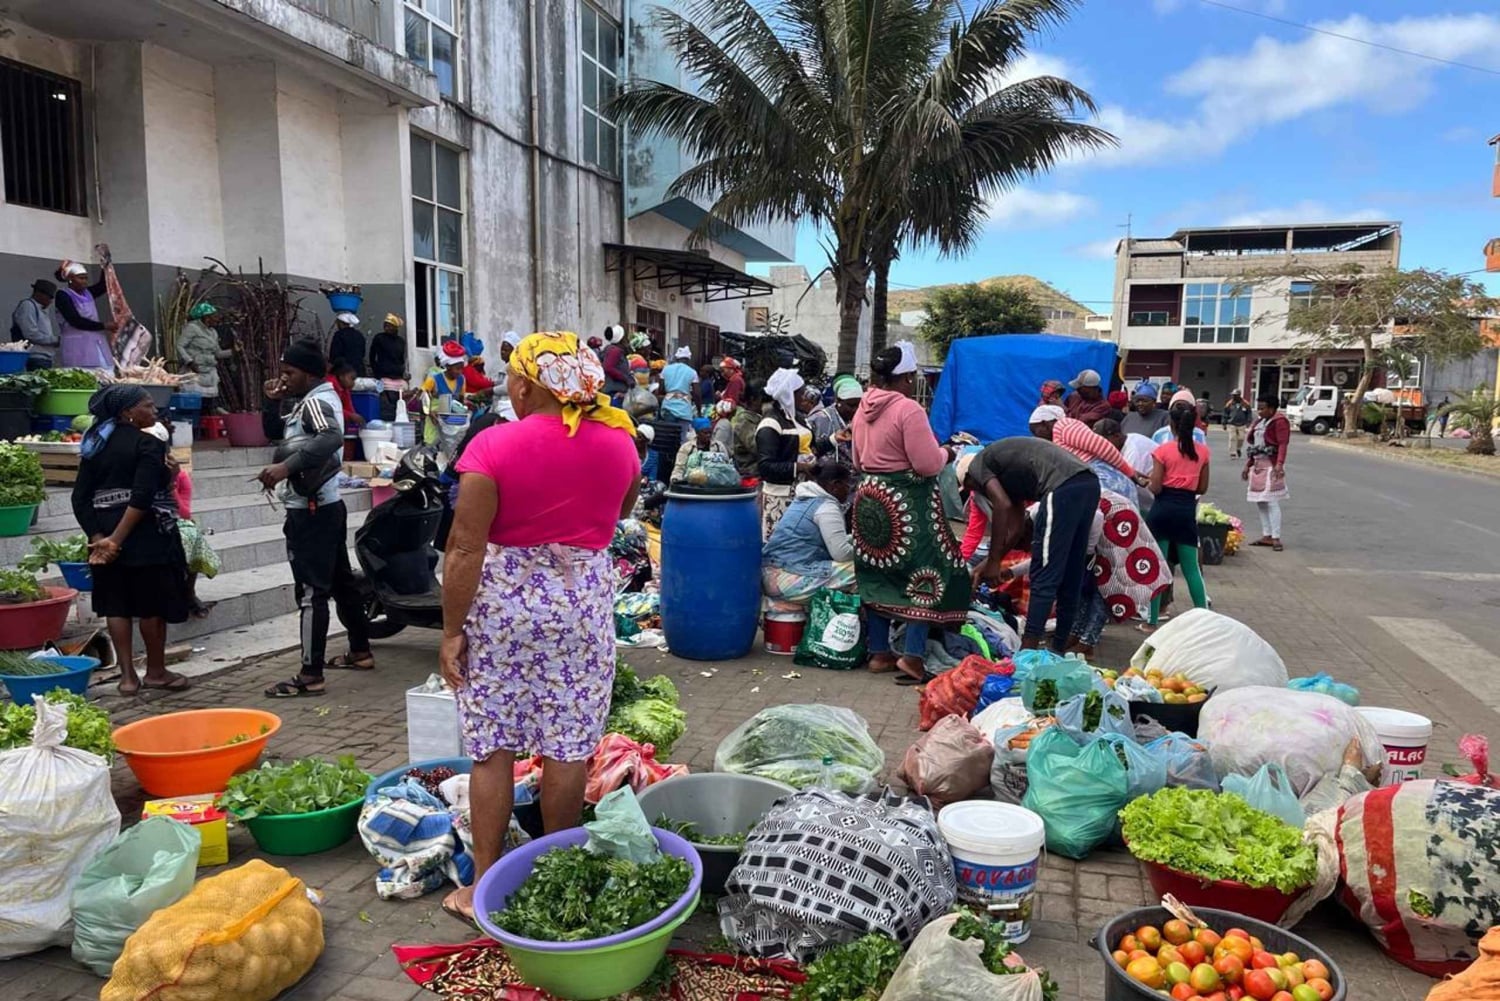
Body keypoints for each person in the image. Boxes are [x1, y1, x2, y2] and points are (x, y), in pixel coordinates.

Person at [438, 331, 639, 923]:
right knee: (568, 749)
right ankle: (559, 876)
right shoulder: (621, 444)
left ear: (525, 383)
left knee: (493, 750)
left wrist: (452, 632)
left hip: (503, 615)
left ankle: (481, 888)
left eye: (510, 380)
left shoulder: (493, 446)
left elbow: (464, 548)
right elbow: (620, 513)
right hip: (580, 612)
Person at [851, 341, 970, 682]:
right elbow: (927, 463)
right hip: (906, 501)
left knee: (877, 572)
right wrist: (948, 452)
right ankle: (913, 657)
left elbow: (858, 460)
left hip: (871, 498)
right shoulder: (908, 409)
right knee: (926, 570)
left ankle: (879, 653)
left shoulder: (863, 406)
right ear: (905, 378)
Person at [260, 339, 373, 697]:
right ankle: (360, 650)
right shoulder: (311, 401)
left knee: (311, 592)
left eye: (289, 373)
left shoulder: (318, 402)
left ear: (308, 374)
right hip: (325, 508)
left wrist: (284, 467)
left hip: (312, 512)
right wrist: (271, 401)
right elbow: (275, 432)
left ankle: (311, 674)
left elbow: (331, 437)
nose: (285, 379)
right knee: (341, 581)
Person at [71, 386, 191, 694]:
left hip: (103, 537)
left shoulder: (93, 447)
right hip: (143, 535)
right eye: (148, 406)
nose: (154, 412)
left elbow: (80, 498)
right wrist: (115, 540)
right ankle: (156, 672)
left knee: (117, 606)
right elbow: (142, 496)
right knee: (152, 606)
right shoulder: (148, 444)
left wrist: (100, 539)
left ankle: (127, 679)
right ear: (127, 412)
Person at [962, 437, 1100, 652]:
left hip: (1062, 487)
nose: (975, 491)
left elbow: (1002, 505)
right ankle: (1058, 651)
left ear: (969, 478)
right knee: (1071, 571)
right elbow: (1016, 529)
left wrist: (994, 561)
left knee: (1044, 573)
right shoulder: (1012, 480)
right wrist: (989, 562)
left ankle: (1028, 649)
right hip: (1089, 484)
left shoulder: (977, 466)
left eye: (969, 486)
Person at [1144, 398, 1210, 630]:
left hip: (1162, 510)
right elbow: (1202, 488)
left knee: (1158, 569)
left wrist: (1149, 480)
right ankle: (1204, 618)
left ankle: (1151, 621)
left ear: (1170, 424)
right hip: (1185, 510)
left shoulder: (1162, 451)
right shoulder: (1202, 452)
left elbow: (1156, 487)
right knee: (1191, 568)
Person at [762, 459, 856, 601]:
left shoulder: (804, 499)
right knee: (863, 570)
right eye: (848, 485)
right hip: (786, 580)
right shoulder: (827, 507)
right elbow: (841, 554)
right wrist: (866, 553)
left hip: (769, 573)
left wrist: (854, 539)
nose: (849, 491)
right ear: (835, 486)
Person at [1027, 404, 1146, 499]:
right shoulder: (1057, 437)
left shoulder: (1063, 426)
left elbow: (1102, 446)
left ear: (1045, 423)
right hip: (1092, 481)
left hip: (1106, 482)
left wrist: (1129, 471)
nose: (1037, 437)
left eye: (1036, 431)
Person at [757, 367, 812, 539]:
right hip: (780, 496)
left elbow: (809, 448)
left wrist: (834, 439)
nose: (804, 397)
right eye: (800, 393)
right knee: (779, 543)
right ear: (789, 394)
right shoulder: (770, 424)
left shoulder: (799, 419)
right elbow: (766, 467)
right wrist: (799, 467)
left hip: (802, 491)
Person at [1244, 394, 1290, 551]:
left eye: (1263, 408)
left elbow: (1283, 444)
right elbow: (1255, 446)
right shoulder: (1259, 422)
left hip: (1271, 465)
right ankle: (1267, 534)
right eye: (1258, 407)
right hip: (1257, 465)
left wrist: (1279, 464)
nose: (1259, 411)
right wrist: (1247, 465)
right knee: (1261, 501)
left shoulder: (1280, 422)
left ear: (1272, 408)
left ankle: (1276, 537)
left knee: (1271, 501)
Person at [54, 260, 116, 369]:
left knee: (105, 373)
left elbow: (103, 285)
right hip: (76, 346)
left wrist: (105, 267)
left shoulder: (88, 293)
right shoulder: (63, 295)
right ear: (70, 279)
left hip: (96, 343)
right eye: (81, 278)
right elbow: (75, 321)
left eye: (86, 278)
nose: (85, 281)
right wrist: (104, 325)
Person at [1097, 417, 1156, 513]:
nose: (1100, 446)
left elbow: (1127, 485)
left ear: (1117, 436)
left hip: (1153, 503)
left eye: (1104, 441)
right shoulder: (1124, 441)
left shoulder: (1134, 450)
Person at [176, 302, 230, 404]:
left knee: (208, 405)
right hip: (195, 373)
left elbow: (218, 353)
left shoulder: (213, 332)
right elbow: (179, 346)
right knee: (194, 403)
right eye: (215, 316)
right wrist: (189, 361)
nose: (217, 319)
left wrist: (234, 351)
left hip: (209, 373)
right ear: (207, 317)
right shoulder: (192, 328)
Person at [810, 374, 861, 468]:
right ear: (838, 401)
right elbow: (810, 450)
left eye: (859, 405)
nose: (856, 409)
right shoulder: (818, 419)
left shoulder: (862, 418)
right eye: (851, 405)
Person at [368, 313, 408, 421]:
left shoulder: (401, 341)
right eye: (385, 325)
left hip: (397, 377)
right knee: (385, 406)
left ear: (395, 327)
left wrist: (401, 370)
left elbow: (401, 358)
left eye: (390, 325)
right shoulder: (379, 338)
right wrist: (376, 371)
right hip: (383, 376)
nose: (387, 327)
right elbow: (372, 356)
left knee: (399, 405)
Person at [10, 278, 58, 367]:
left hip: (45, 356)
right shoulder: (28, 306)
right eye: (50, 297)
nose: (51, 301)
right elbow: (31, 334)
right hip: (34, 356)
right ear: (38, 293)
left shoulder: (41, 308)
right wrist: (55, 340)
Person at [660, 346, 699, 435]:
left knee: (669, 436)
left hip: (668, 408)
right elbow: (697, 394)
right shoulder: (692, 372)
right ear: (688, 359)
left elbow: (661, 390)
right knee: (682, 437)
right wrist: (699, 410)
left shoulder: (666, 369)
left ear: (677, 358)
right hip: (684, 410)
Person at [729, 382, 763, 482]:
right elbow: (757, 447)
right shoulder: (744, 421)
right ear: (753, 399)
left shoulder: (758, 417)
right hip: (751, 472)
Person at [326, 360, 362, 429]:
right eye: (352, 379)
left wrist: (354, 416)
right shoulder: (330, 385)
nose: (353, 383)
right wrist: (350, 416)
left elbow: (348, 406)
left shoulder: (344, 389)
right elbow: (332, 408)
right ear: (341, 377)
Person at [328, 312, 366, 377]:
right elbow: (363, 353)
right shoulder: (359, 335)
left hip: (344, 372)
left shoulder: (339, 335)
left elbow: (334, 354)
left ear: (341, 323)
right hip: (359, 371)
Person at [600, 324, 630, 397]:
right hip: (613, 391)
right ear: (622, 339)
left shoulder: (613, 350)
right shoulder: (614, 351)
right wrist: (625, 378)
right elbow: (608, 367)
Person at [1223, 390, 1252, 458]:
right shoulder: (1229, 403)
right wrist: (1224, 423)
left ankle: (1238, 449)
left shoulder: (1245, 403)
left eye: (1235, 395)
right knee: (1232, 438)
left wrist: (1248, 421)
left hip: (1242, 424)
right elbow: (1225, 413)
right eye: (1233, 395)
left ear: (1239, 395)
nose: (1233, 396)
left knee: (1241, 438)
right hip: (1232, 423)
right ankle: (1232, 453)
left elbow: (1249, 413)